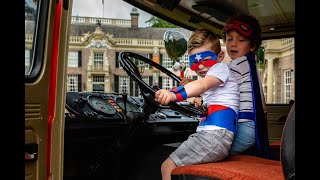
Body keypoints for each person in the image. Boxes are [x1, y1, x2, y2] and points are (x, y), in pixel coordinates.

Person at [155, 29, 240, 180]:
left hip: (214, 136)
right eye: (194, 62)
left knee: (167, 166)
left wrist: (173, 94)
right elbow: (203, 89)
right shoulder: (215, 76)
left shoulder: (221, 68)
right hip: (216, 136)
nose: (200, 67)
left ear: (220, 57)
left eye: (205, 60)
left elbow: (202, 85)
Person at [221, 14, 269, 157]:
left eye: (241, 40)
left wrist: (192, 85)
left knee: (211, 151)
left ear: (253, 45)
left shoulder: (238, 64)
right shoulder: (249, 63)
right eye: (229, 39)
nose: (233, 44)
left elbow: (215, 82)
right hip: (251, 125)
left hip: (244, 125)